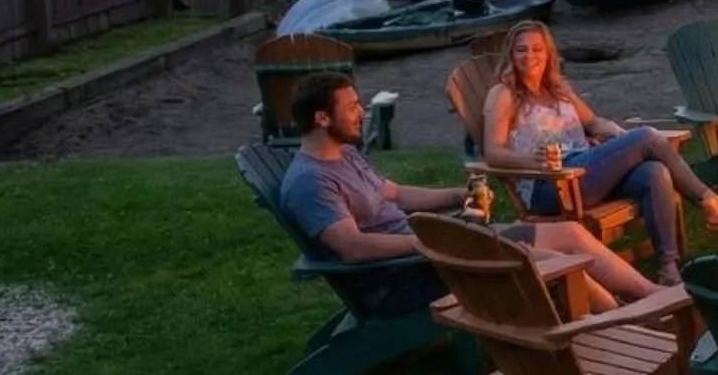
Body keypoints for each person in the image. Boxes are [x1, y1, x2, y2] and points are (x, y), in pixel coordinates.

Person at [280, 73, 663, 311]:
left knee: (570, 234)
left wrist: (456, 196)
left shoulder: (343, 154)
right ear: (322, 118)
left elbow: (393, 193)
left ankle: (652, 296)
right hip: (407, 277)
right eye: (352, 107)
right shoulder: (310, 182)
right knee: (551, 261)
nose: (361, 112)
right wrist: (431, 241)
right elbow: (353, 248)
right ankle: (617, 320)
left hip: (438, 251)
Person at [483, 20, 718, 286]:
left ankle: (668, 268)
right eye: (521, 49)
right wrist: (535, 162)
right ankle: (711, 205)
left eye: (537, 49)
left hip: (585, 172)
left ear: (548, 53)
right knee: (648, 137)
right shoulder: (504, 94)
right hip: (551, 186)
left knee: (655, 172)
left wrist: (623, 140)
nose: (529, 56)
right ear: (511, 54)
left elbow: (593, 123)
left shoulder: (557, 89)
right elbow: (493, 152)